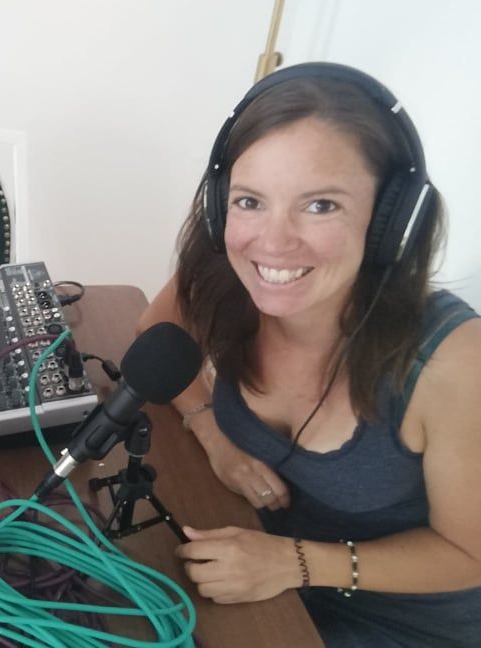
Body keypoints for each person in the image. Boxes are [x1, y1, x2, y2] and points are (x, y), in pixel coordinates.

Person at [139, 63, 481, 646]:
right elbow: (156, 329)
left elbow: (468, 552)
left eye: (320, 205)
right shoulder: (228, 272)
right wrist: (212, 434)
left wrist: (295, 563)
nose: (272, 242)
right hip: (254, 562)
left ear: (389, 222)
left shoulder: (453, 362)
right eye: (250, 202)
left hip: (399, 617)